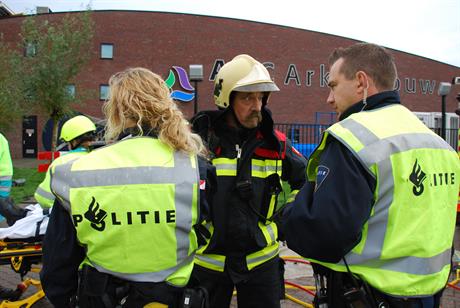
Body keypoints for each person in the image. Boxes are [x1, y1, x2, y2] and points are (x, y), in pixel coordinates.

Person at [283, 42, 460, 307]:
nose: (329, 99)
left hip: (365, 295)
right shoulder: (440, 146)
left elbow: (324, 235)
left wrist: (286, 216)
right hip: (430, 295)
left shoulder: (354, 138)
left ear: (361, 82)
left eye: (332, 85)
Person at [40, 67, 215, 307]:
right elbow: (210, 238)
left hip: (101, 297)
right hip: (171, 298)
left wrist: (68, 300)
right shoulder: (196, 168)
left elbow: (57, 265)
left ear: (115, 111)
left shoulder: (76, 172)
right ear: (164, 105)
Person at [191, 54, 307, 308]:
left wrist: (285, 218)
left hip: (261, 263)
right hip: (208, 263)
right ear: (227, 99)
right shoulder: (198, 145)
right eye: (247, 97)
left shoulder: (276, 144)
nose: (257, 106)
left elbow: (308, 180)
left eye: (261, 97)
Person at [34, 115, 97, 209]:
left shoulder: (60, 163)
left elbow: (43, 198)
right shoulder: (99, 159)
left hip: (67, 217)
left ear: (74, 142)